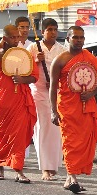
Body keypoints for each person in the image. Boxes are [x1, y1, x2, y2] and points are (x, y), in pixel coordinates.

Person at [51, 25, 97, 194]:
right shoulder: (59, 60)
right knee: (70, 142)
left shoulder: (88, 57)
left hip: (86, 106)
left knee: (84, 142)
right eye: (75, 37)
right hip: (67, 106)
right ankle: (72, 176)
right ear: (67, 39)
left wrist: (91, 94)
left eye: (81, 37)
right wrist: (53, 111)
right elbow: (53, 88)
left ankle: (70, 178)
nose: (79, 40)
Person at [0, 19, 38, 182]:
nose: (16, 40)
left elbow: (35, 77)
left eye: (17, 37)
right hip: (2, 100)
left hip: (20, 100)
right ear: (5, 38)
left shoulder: (24, 55)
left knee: (19, 136)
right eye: (13, 37)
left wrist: (22, 79)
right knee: (0, 134)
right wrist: (1, 44)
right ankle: (0, 167)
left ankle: (18, 170)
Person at [31, 18, 68, 181]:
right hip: (38, 92)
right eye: (49, 29)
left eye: (55, 29)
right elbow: (25, 69)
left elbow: (65, 71)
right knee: (42, 129)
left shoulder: (62, 50)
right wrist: (36, 61)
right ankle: (44, 168)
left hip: (56, 92)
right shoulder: (33, 47)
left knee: (55, 130)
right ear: (42, 31)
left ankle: (53, 166)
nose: (53, 32)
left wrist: (54, 82)